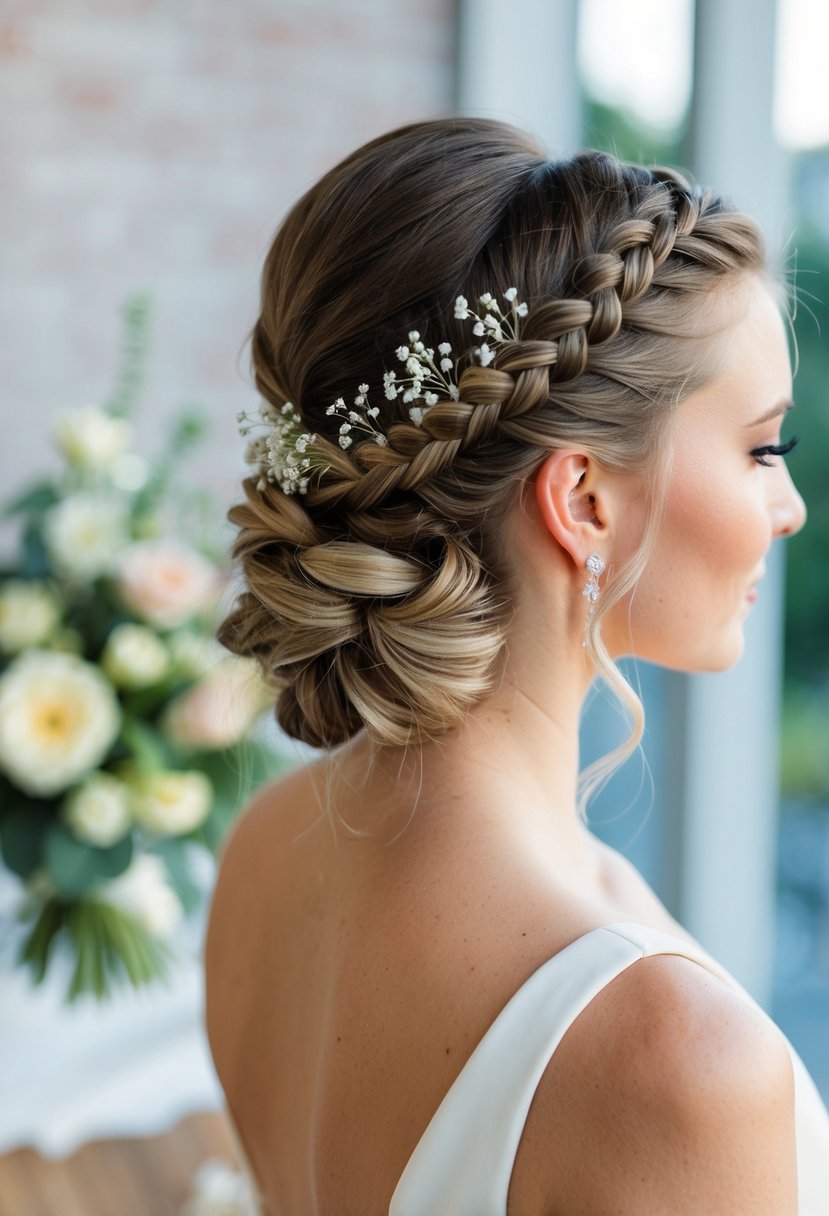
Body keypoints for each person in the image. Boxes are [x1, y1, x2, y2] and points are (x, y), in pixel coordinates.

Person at [204, 117, 829, 1215]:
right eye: (760, 448)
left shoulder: (267, 849)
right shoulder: (674, 1062)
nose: (788, 508)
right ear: (582, 499)